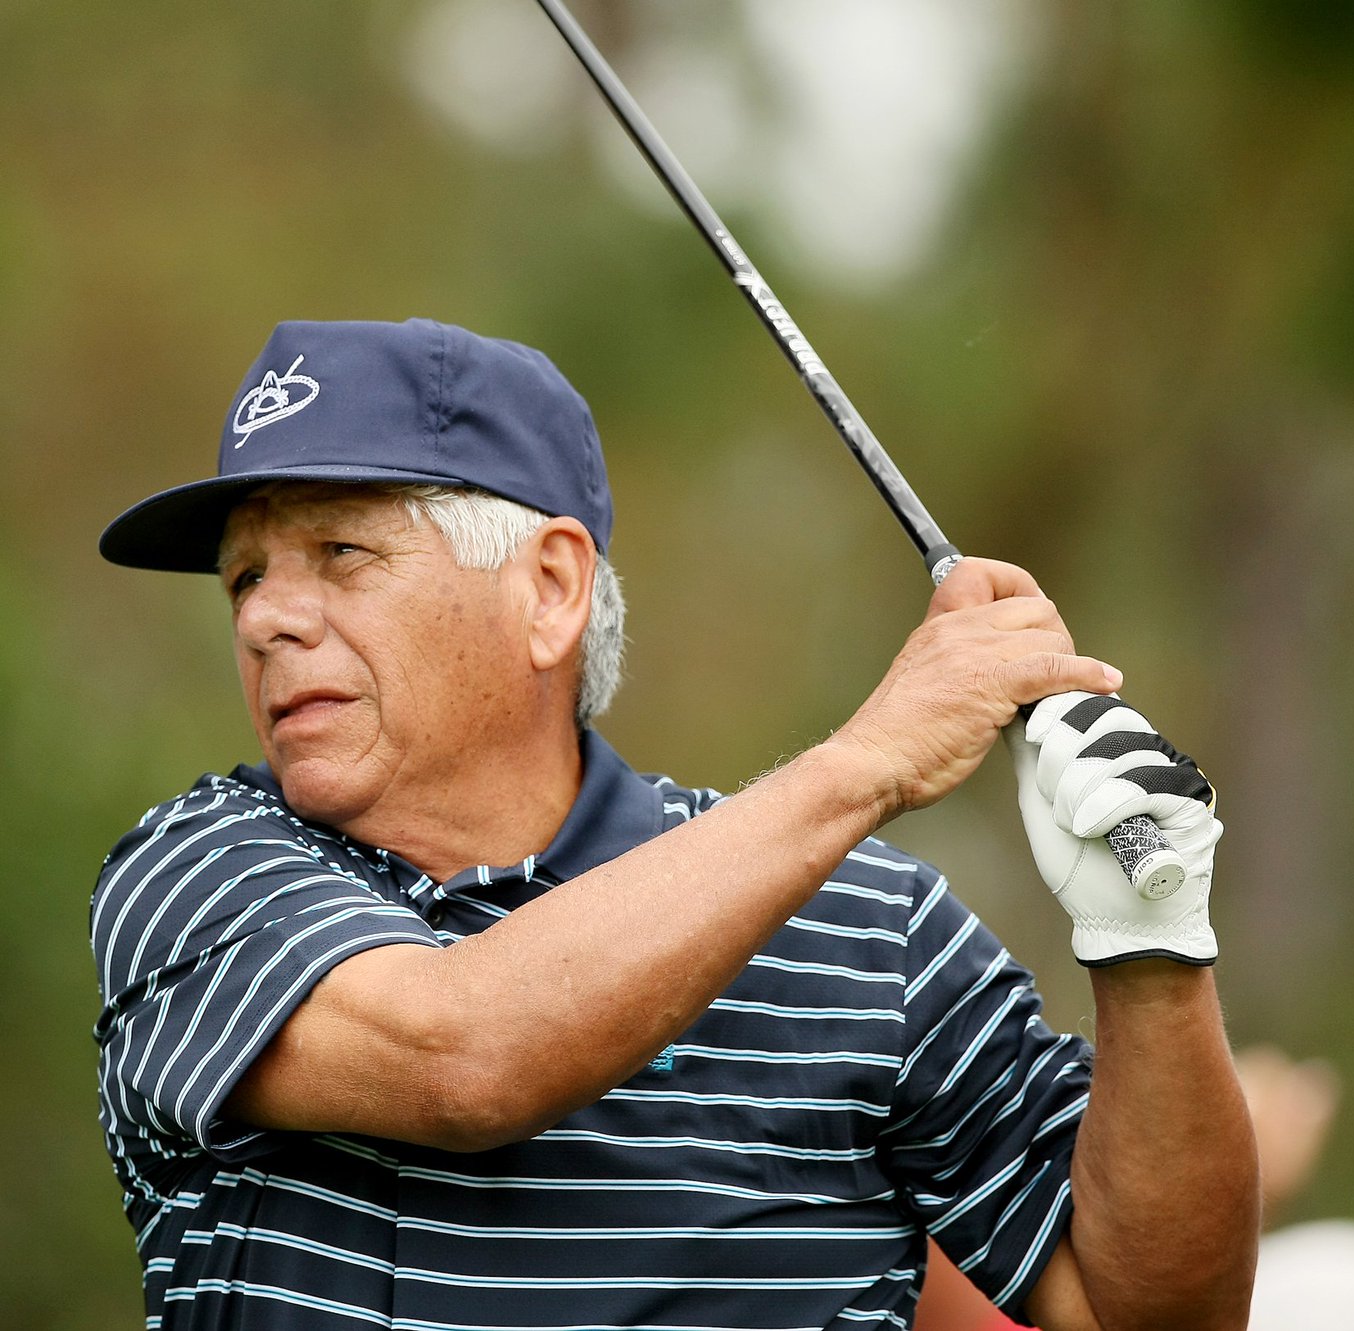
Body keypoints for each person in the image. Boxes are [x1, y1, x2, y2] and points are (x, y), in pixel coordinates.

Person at [89, 318, 1258, 1330]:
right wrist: (864, 763)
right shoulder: (199, 872)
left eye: (339, 553)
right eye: (245, 577)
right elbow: (465, 1056)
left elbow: (1144, 1307)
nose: (267, 619)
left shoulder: (873, 933)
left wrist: (1147, 952)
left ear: (548, 587)